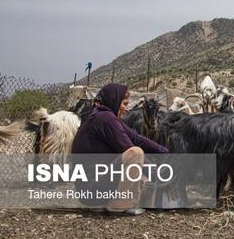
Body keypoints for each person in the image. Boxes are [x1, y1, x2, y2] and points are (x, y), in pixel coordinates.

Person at [71, 83, 169, 215]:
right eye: (124, 104)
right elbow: (129, 147)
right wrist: (156, 173)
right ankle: (119, 205)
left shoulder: (102, 116)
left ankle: (112, 202)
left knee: (143, 179)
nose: (126, 109)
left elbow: (136, 138)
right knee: (135, 153)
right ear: (114, 100)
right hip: (93, 188)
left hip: (92, 187)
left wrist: (164, 151)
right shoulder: (106, 119)